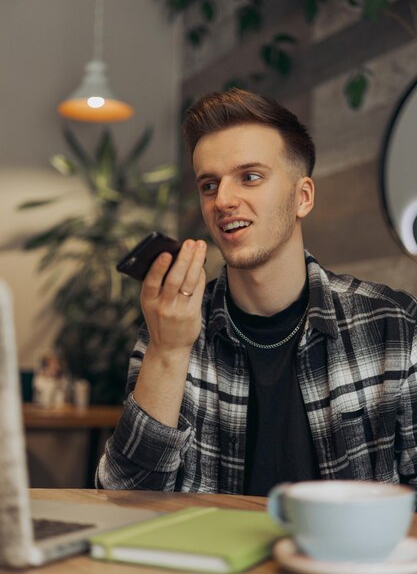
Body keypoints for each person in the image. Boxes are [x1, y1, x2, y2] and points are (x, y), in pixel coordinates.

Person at [97, 88, 417, 495]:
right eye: (209, 185)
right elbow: (122, 496)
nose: (223, 201)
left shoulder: (396, 326)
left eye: (250, 177)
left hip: (348, 559)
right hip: (211, 557)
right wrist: (168, 352)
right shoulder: (172, 328)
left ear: (302, 197)